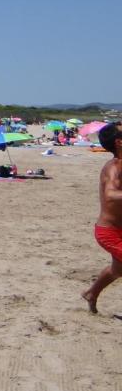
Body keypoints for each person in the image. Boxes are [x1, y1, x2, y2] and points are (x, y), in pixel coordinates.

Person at [83, 123, 122, 313]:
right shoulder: (113, 167)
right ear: (119, 142)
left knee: (117, 270)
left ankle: (91, 293)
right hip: (109, 232)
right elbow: (110, 195)